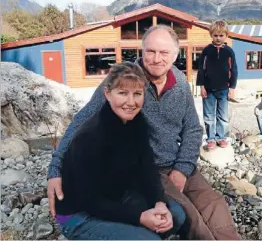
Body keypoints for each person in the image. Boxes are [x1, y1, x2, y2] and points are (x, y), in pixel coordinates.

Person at [47, 25, 241, 240]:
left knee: (213, 202)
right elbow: (80, 121)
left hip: (178, 162)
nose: (157, 59)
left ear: (176, 55)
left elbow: (193, 129)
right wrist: (55, 170)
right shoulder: (125, 81)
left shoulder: (181, 85)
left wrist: (182, 168)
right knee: (189, 216)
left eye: (164, 52)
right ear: (142, 51)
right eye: (151, 51)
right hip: (147, 169)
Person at [54, 62, 186, 240]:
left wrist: (159, 203)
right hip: (79, 213)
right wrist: (139, 217)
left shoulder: (137, 123)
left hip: (117, 197)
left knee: (176, 215)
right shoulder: (89, 137)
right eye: (123, 93)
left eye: (137, 94)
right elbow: (89, 200)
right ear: (107, 94)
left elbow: (148, 169)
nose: (131, 102)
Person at [196, 20, 238, 150]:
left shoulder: (229, 51)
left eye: (221, 35)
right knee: (209, 116)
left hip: (224, 89)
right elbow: (201, 69)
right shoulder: (207, 51)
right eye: (215, 35)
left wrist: (232, 88)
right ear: (211, 35)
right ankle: (210, 139)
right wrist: (201, 87)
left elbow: (234, 70)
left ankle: (221, 137)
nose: (218, 38)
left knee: (223, 116)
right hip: (208, 90)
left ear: (226, 35)